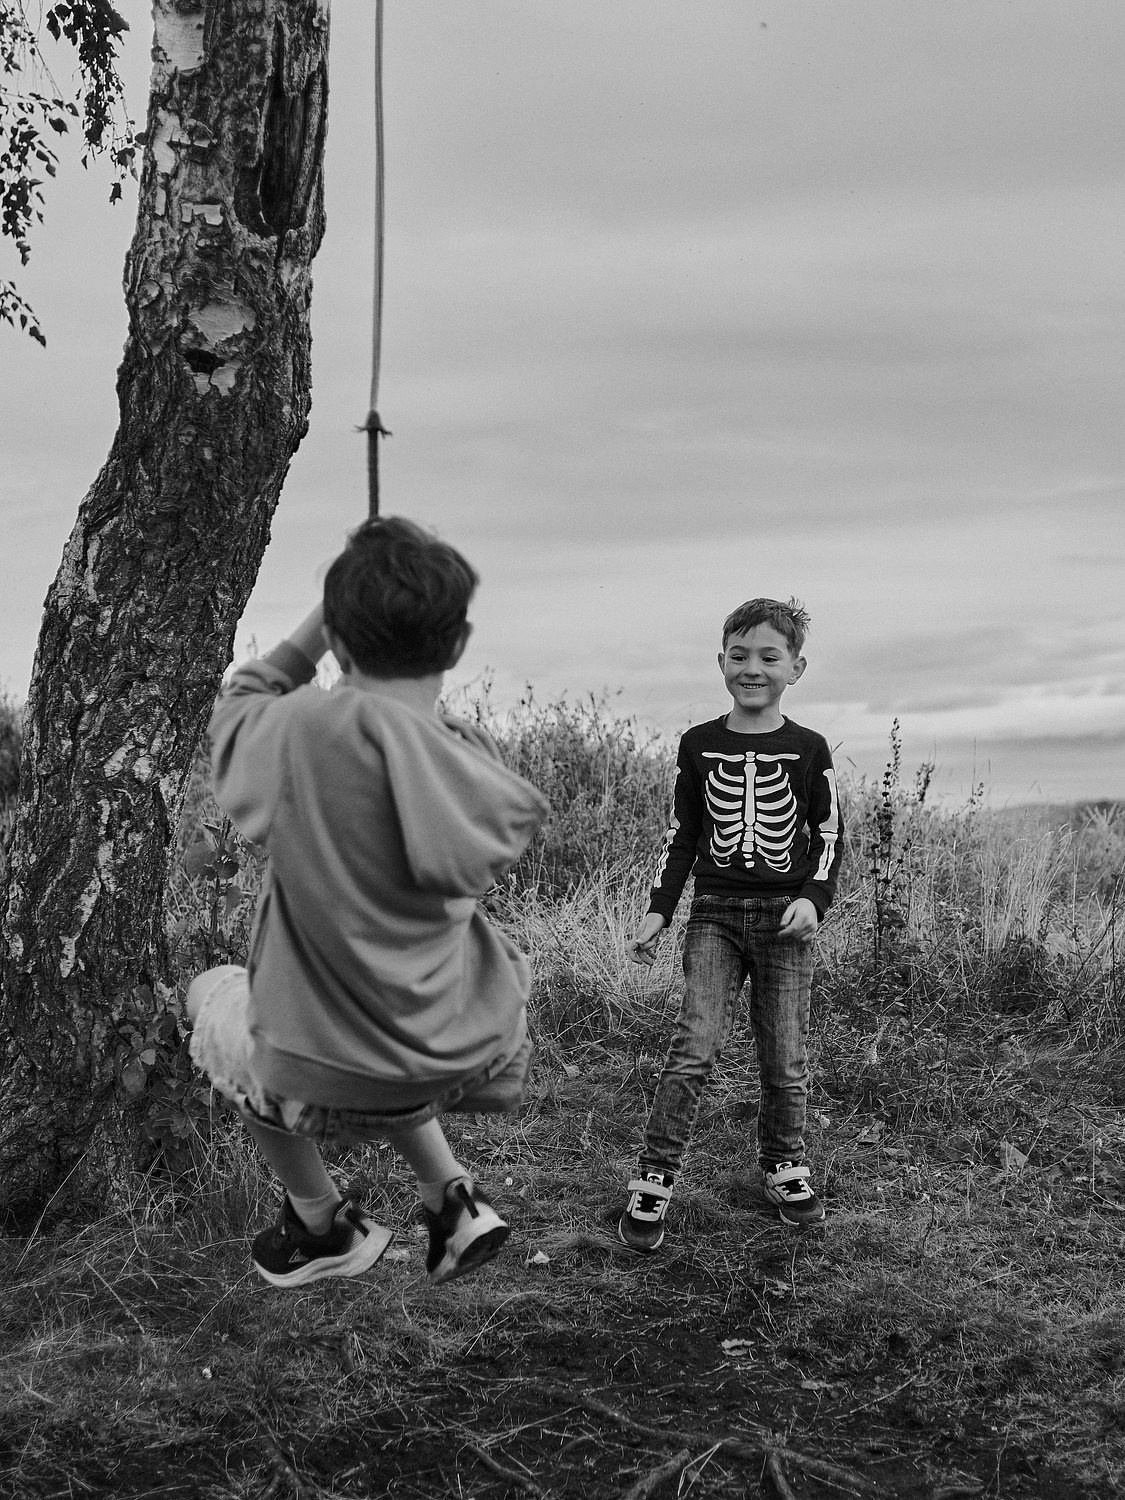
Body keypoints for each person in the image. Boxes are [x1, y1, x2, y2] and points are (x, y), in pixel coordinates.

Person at [186, 516, 548, 1289]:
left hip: (325, 1064)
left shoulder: (302, 733)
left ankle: (321, 1222)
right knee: (375, 1018)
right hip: (452, 1047)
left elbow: (241, 699)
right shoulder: (469, 753)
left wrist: (323, 619)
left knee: (213, 994)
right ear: (456, 644)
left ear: (340, 640)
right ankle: (451, 1198)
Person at [617, 597, 842, 1251]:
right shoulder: (698, 744)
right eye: (739, 656)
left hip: (785, 921)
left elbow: (828, 836)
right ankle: (655, 1177)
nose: (752, 668)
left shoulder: (808, 748)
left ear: (795, 668)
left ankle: (784, 1165)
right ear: (720, 662)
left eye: (769, 657)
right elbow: (682, 835)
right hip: (713, 914)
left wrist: (814, 898)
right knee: (693, 1048)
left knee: (785, 1056)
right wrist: (659, 909)